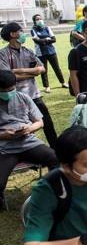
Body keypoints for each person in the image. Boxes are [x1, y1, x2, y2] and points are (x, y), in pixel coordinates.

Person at [0, 70, 58, 209]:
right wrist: (3, 135)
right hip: (5, 148)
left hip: (28, 143)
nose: (9, 93)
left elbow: (40, 122)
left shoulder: (23, 98)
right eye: (5, 90)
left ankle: (56, 191)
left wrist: (29, 129)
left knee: (55, 159)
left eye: (12, 89)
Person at [0, 22, 58, 148]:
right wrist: (33, 73)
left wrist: (16, 71)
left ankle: (56, 148)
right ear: (13, 34)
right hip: (15, 96)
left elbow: (42, 69)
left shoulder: (28, 51)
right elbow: (6, 78)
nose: (23, 34)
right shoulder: (3, 54)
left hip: (34, 94)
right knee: (19, 126)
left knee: (47, 122)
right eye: (20, 31)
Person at [30, 14, 67, 93]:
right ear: (34, 21)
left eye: (40, 18)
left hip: (51, 51)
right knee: (44, 70)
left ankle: (63, 82)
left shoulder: (47, 28)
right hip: (41, 53)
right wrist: (47, 39)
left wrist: (43, 40)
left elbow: (54, 39)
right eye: (37, 19)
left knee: (57, 68)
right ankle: (47, 86)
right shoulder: (33, 30)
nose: (39, 20)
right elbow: (37, 41)